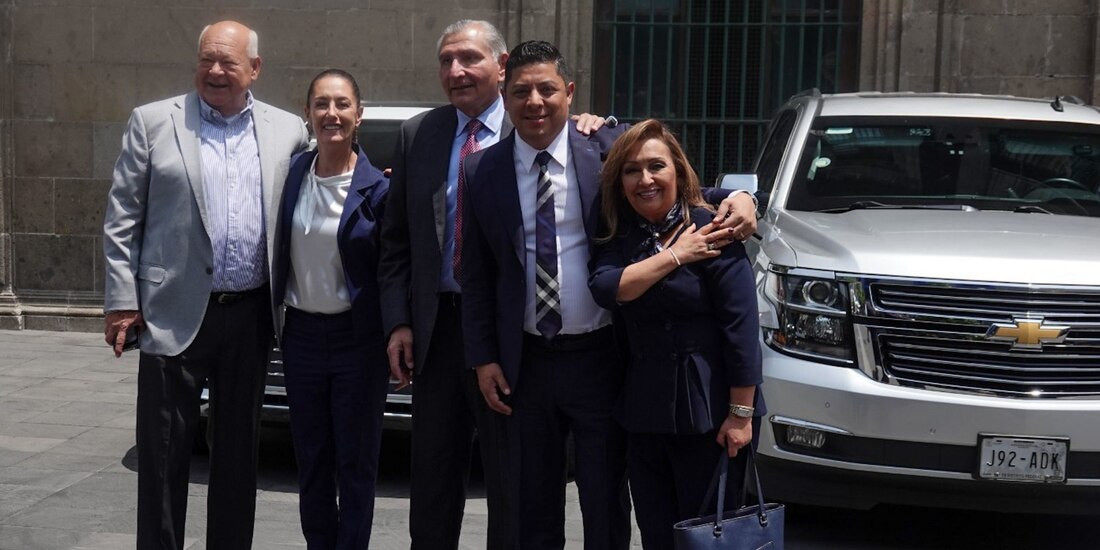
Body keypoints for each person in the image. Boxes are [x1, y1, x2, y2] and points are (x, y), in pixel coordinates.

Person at [458, 41, 757, 549]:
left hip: (601, 358)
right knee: (534, 503)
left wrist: (740, 197)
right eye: (522, 91)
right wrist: (484, 356)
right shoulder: (480, 170)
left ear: (569, 93)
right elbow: (478, 273)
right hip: (526, 364)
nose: (535, 101)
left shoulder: (603, 148)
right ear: (504, 99)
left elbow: (669, 184)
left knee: (604, 500)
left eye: (547, 89)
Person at [377, 19, 608, 549]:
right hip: (437, 334)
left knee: (515, 483)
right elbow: (396, 243)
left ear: (500, 67)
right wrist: (399, 321)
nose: (455, 71)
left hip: (512, 337)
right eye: (445, 61)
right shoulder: (420, 134)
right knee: (433, 482)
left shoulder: (536, 124)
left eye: (469, 59)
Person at [102, 21, 309, 550]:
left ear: (254, 69)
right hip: (171, 309)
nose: (215, 71)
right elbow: (123, 215)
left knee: (239, 455)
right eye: (206, 60)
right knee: (164, 452)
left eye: (228, 62)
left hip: (251, 314)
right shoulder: (153, 121)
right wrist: (122, 301)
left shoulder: (288, 130)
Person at [588, 119, 765, 549]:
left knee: (707, 535)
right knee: (657, 535)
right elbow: (607, 288)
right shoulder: (621, 233)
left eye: (656, 166)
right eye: (631, 170)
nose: (645, 179)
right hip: (645, 412)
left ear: (678, 171)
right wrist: (674, 256)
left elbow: (741, 327)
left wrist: (741, 414)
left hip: (711, 413)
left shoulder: (712, 224)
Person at [270, 69, 390, 549]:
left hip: (356, 342)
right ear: (308, 113)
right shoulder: (293, 173)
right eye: (321, 104)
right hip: (300, 337)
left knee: (356, 462)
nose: (331, 114)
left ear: (359, 115)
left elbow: (391, 269)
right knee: (312, 458)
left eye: (342, 104)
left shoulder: (378, 190)